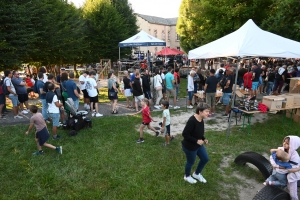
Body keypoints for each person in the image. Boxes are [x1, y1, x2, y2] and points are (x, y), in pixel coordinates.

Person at [182, 103, 210, 184]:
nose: (208, 113)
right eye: (207, 111)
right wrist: (196, 141)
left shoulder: (201, 119)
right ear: (200, 112)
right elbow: (185, 134)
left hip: (198, 145)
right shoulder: (192, 121)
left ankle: (196, 174)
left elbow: (199, 133)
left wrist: (203, 139)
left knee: (205, 159)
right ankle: (187, 176)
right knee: (190, 162)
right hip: (189, 146)